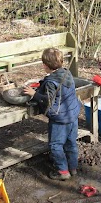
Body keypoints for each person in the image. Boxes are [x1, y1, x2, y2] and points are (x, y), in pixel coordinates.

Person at [23, 48, 81, 180]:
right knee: (71, 142)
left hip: (60, 118)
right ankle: (73, 167)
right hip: (72, 114)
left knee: (55, 144)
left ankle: (62, 171)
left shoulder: (51, 82)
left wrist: (34, 94)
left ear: (45, 65)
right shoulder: (67, 73)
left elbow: (48, 100)